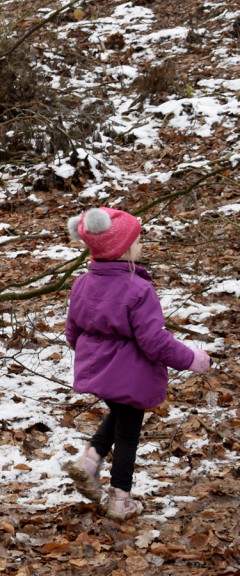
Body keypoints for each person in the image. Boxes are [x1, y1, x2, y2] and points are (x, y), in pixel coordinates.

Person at [64, 207, 211, 519]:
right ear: (122, 250)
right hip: (131, 374)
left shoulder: (82, 284)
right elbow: (154, 341)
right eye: (138, 241)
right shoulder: (138, 289)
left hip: (99, 372)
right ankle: (120, 499)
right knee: (128, 432)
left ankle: (89, 461)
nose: (142, 245)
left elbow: (72, 333)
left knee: (119, 413)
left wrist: (95, 358)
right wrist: (190, 359)